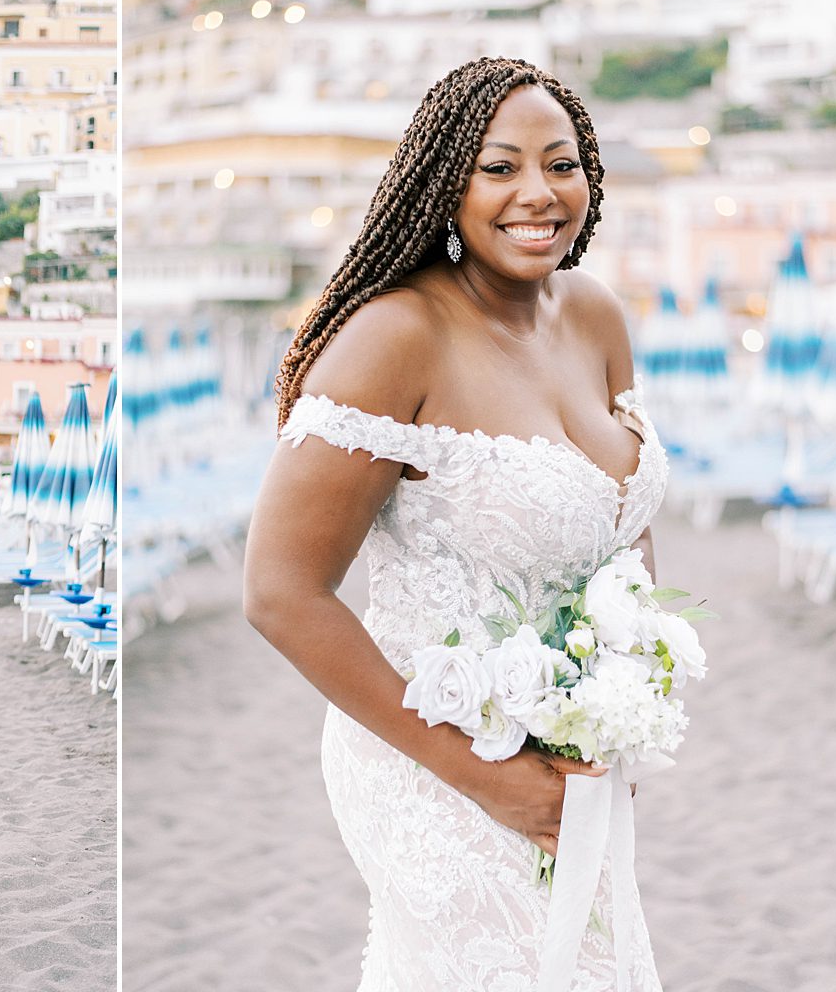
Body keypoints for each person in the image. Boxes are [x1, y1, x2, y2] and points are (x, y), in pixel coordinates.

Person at [242, 57, 667, 990]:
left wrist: (625, 698)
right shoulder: (393, 338)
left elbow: (622, 528)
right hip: (434, 760)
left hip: (574, 751)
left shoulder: (597, 316)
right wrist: (486, 777)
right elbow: (280, 594)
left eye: (562, 164)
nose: (538, 194)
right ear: (445, 182)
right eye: (499, 167)